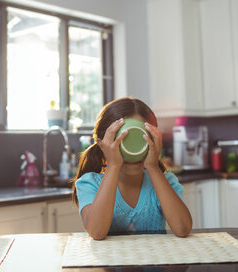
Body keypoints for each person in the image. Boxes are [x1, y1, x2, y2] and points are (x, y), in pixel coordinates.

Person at [72, 97, 193, 240]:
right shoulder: (90, 184)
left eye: (141, 139)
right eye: (121, 140)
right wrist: (113, 165)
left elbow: (183, 229)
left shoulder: (165, 182)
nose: (132, 151)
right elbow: (97, 232)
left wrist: (153, 167)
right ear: (103, 145)